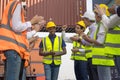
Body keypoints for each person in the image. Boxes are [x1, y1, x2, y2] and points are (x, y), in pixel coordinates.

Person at [0, 0, 44, 80]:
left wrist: (35, 30)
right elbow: (17, 27)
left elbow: (21, 36)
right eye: (25, 8)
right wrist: (31, 22)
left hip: (13, 50)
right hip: (14, 50)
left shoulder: (12, 5)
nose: (25, 10)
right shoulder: (17, 3)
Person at [95, 1, 120, 75]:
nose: (112, 5)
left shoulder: (116, 17)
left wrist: (103, 14)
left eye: (115, 4)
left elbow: (109, 24)